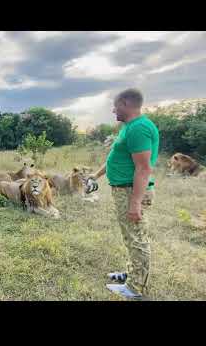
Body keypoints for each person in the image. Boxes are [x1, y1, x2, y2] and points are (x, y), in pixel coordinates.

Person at [89, 88, 159, 300]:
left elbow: (143, 168)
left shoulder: (139, 128)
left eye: (116, 105)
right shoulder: (129, 127)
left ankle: (135, 288)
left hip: (131, 191)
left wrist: (135, 203)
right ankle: (132, 274)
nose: (113, 109)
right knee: (130, 237)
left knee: (137, 238)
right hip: (124, 190)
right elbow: (115, 156)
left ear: (126, 103)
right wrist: (96, 174)